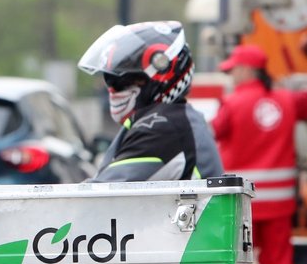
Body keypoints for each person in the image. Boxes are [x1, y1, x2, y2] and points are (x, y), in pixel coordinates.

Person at [211, 43, 307, 264]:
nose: (231, 76)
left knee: (238, 261)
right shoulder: (286, 100)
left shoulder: (231, 104)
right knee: (280, 263)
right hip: (279, 204)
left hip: (243, 204)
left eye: (233, 70)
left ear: (246, 70)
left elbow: (210, 137)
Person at [78, 20, 223, 182]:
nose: (113, 89)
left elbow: (104, 194)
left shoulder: (163, 127)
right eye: (110, 80)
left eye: (126, 80)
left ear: (161, 77)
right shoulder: (177, 118)